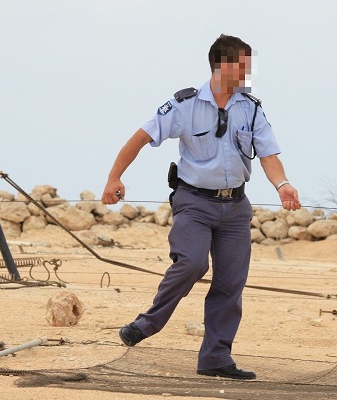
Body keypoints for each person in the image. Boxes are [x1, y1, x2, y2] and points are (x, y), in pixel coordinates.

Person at [101, 34, 301, 380]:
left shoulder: (251, 108)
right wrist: (114, 178)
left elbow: (268, 154)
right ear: (223, 66)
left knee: (231, 282)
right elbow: (139, 139)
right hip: (194, 202)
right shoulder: (183, 105)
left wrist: (283, 185)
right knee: (192, 263)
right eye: (243, 65)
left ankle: (215, 358)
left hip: (236, 207)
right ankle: (147, 324)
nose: (248, 72)